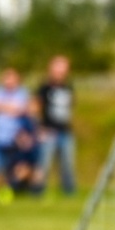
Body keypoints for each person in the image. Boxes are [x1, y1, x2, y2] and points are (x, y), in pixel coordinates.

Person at [0, 68, 30, 202]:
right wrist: (8, 107)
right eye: (6, 78)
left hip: (14, 140)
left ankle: (10, 191)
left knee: (11, 171)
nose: (9, 81)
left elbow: (21, 109)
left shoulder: (22, 93)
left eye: (12, 78)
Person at [36, 55, 76, 194]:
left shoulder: (68, 87)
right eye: (58, 68)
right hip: (48, 131)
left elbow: (71, 107)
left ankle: (69, 192)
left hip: (65, 131)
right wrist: (40, 128)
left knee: (67, 164)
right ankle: (38, 191)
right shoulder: (44, 87)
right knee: (44, 164)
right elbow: (35, 107)